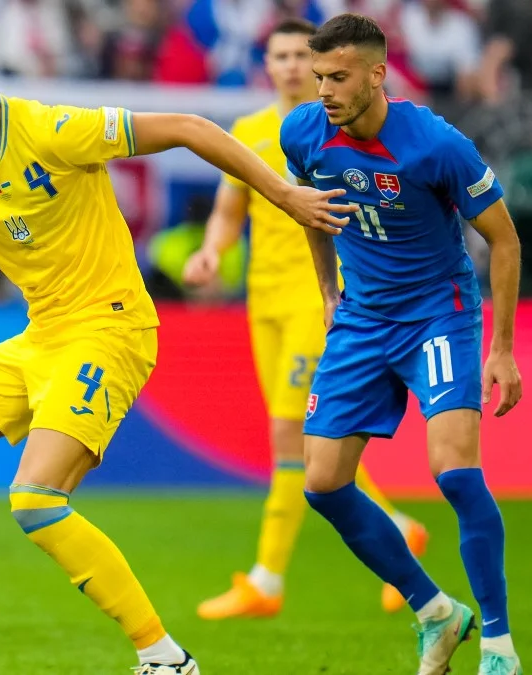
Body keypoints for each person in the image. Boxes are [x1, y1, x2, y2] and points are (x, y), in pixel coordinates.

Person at [0, 22, 354, 674]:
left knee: (35, 498)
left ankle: (165, 658)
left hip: (111, 329)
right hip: (42, 336)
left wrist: (282, 193)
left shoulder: (53, 131)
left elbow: (190, 127)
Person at [281, 14, 523, 675]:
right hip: (361, 321)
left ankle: (499, 647)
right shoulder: (302, 131)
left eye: (337, 77)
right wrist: (327, 289)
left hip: (436, 318)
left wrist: (500, 348)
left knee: (455, 472)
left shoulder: (435, 144)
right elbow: (312, 209)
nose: (323, 89)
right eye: (318, 75)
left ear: (377, 74)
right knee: (323, 483)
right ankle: (436, 611)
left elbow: (505, 239)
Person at [183, 18, 428, 620]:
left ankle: (267, 579)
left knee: (290, 438)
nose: (291, 65)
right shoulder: (249, 131)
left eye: (301, 55)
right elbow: (228, 207)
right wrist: (212, 248)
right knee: (304, 441)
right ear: (265, 64)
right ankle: (397, 527)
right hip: (261, 301)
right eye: (281, 55)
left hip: (319, 296)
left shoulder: (343, 128)